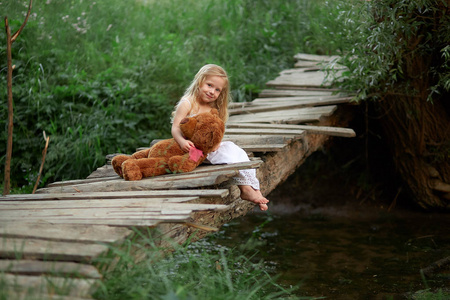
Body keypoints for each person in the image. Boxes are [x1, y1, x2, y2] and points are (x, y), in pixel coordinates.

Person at [171, 64, 269, 211]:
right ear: (199, 81)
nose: (212, 92)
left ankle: (255, 187)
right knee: (228, 158)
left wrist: (216, 143)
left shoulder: (212, 107)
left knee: (238, 152)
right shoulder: (188, 103)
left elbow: (216, 130)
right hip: (192, 149)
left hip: (209, 147)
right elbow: (175, 127)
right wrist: (182, 141)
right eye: (209, 85)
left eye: (217, 90)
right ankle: (245, 190)